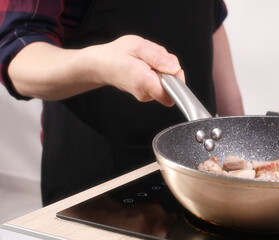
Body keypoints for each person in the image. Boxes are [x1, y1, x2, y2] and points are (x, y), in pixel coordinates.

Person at [0, 0, 244, 206]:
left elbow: (211, 21)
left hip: (202, 174)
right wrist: (101, 65)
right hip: (100, 189)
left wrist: (239, 140)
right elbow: (16, 51)